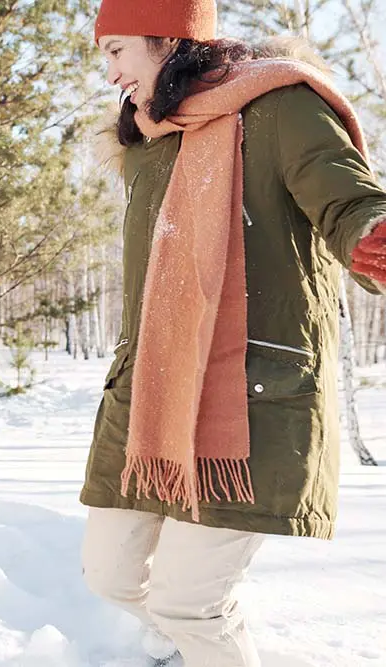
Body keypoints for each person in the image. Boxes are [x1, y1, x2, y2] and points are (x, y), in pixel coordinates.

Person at [80, 1, 386, 665]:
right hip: (149, 396)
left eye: (116, 51)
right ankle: (195, 650)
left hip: (247, 396)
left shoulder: (281, 107)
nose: (109, 73)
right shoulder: (149, 139)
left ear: (169, 37)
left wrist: (371, 237)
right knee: (109, 574)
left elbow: (346, 197)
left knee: (188, 601)